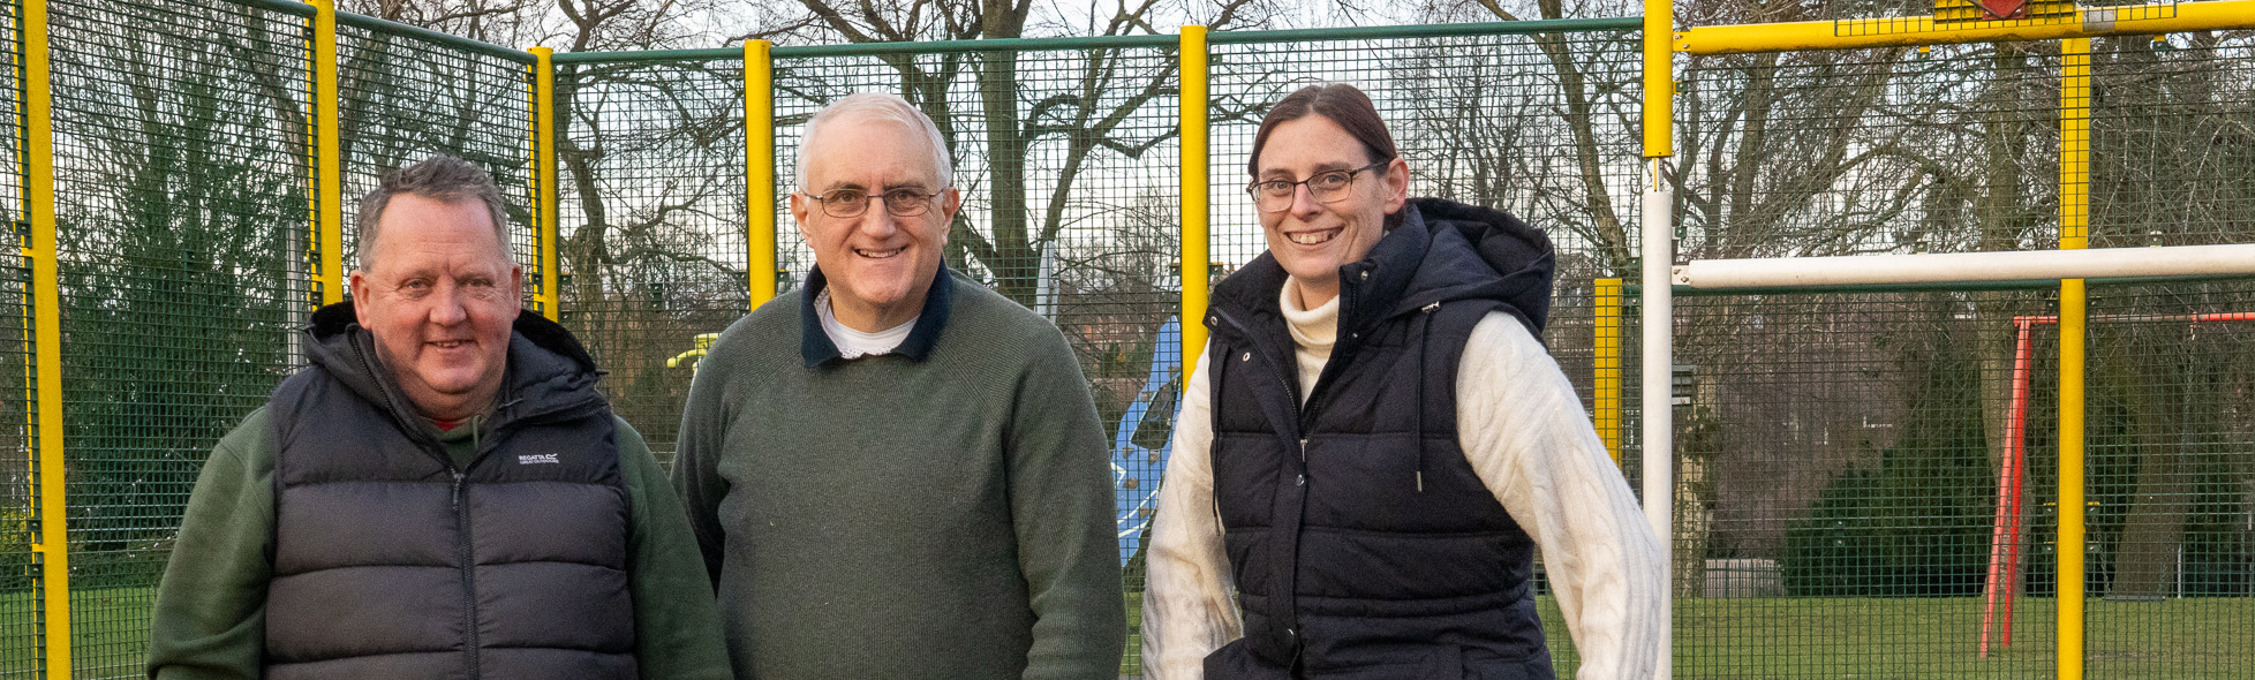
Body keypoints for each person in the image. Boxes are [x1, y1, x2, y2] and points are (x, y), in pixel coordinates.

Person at [1140, 84, 1664, 680]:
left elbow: (1614, 561)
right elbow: (1182, 570)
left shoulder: (1477, 343)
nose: (1302, 206)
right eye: (1278, 183)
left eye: (1332, 178)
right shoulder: (1232, 353)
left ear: (1392, 185)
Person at [146, 156, 733, 680]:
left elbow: (690, 658)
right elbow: (195, 662)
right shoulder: (271, 450)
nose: (447, 313)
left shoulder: (608, 451)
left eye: (475, 282)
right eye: (417, 284)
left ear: (513, 290)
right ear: (365, 298)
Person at [670, 92, 1123, 680]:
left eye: (906, 195)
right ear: (803, 215)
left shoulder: (1026, 361)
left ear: (948, 209)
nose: (878, 224)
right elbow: (681, 591)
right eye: (845, 197)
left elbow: (1079, 612)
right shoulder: (738, 364)